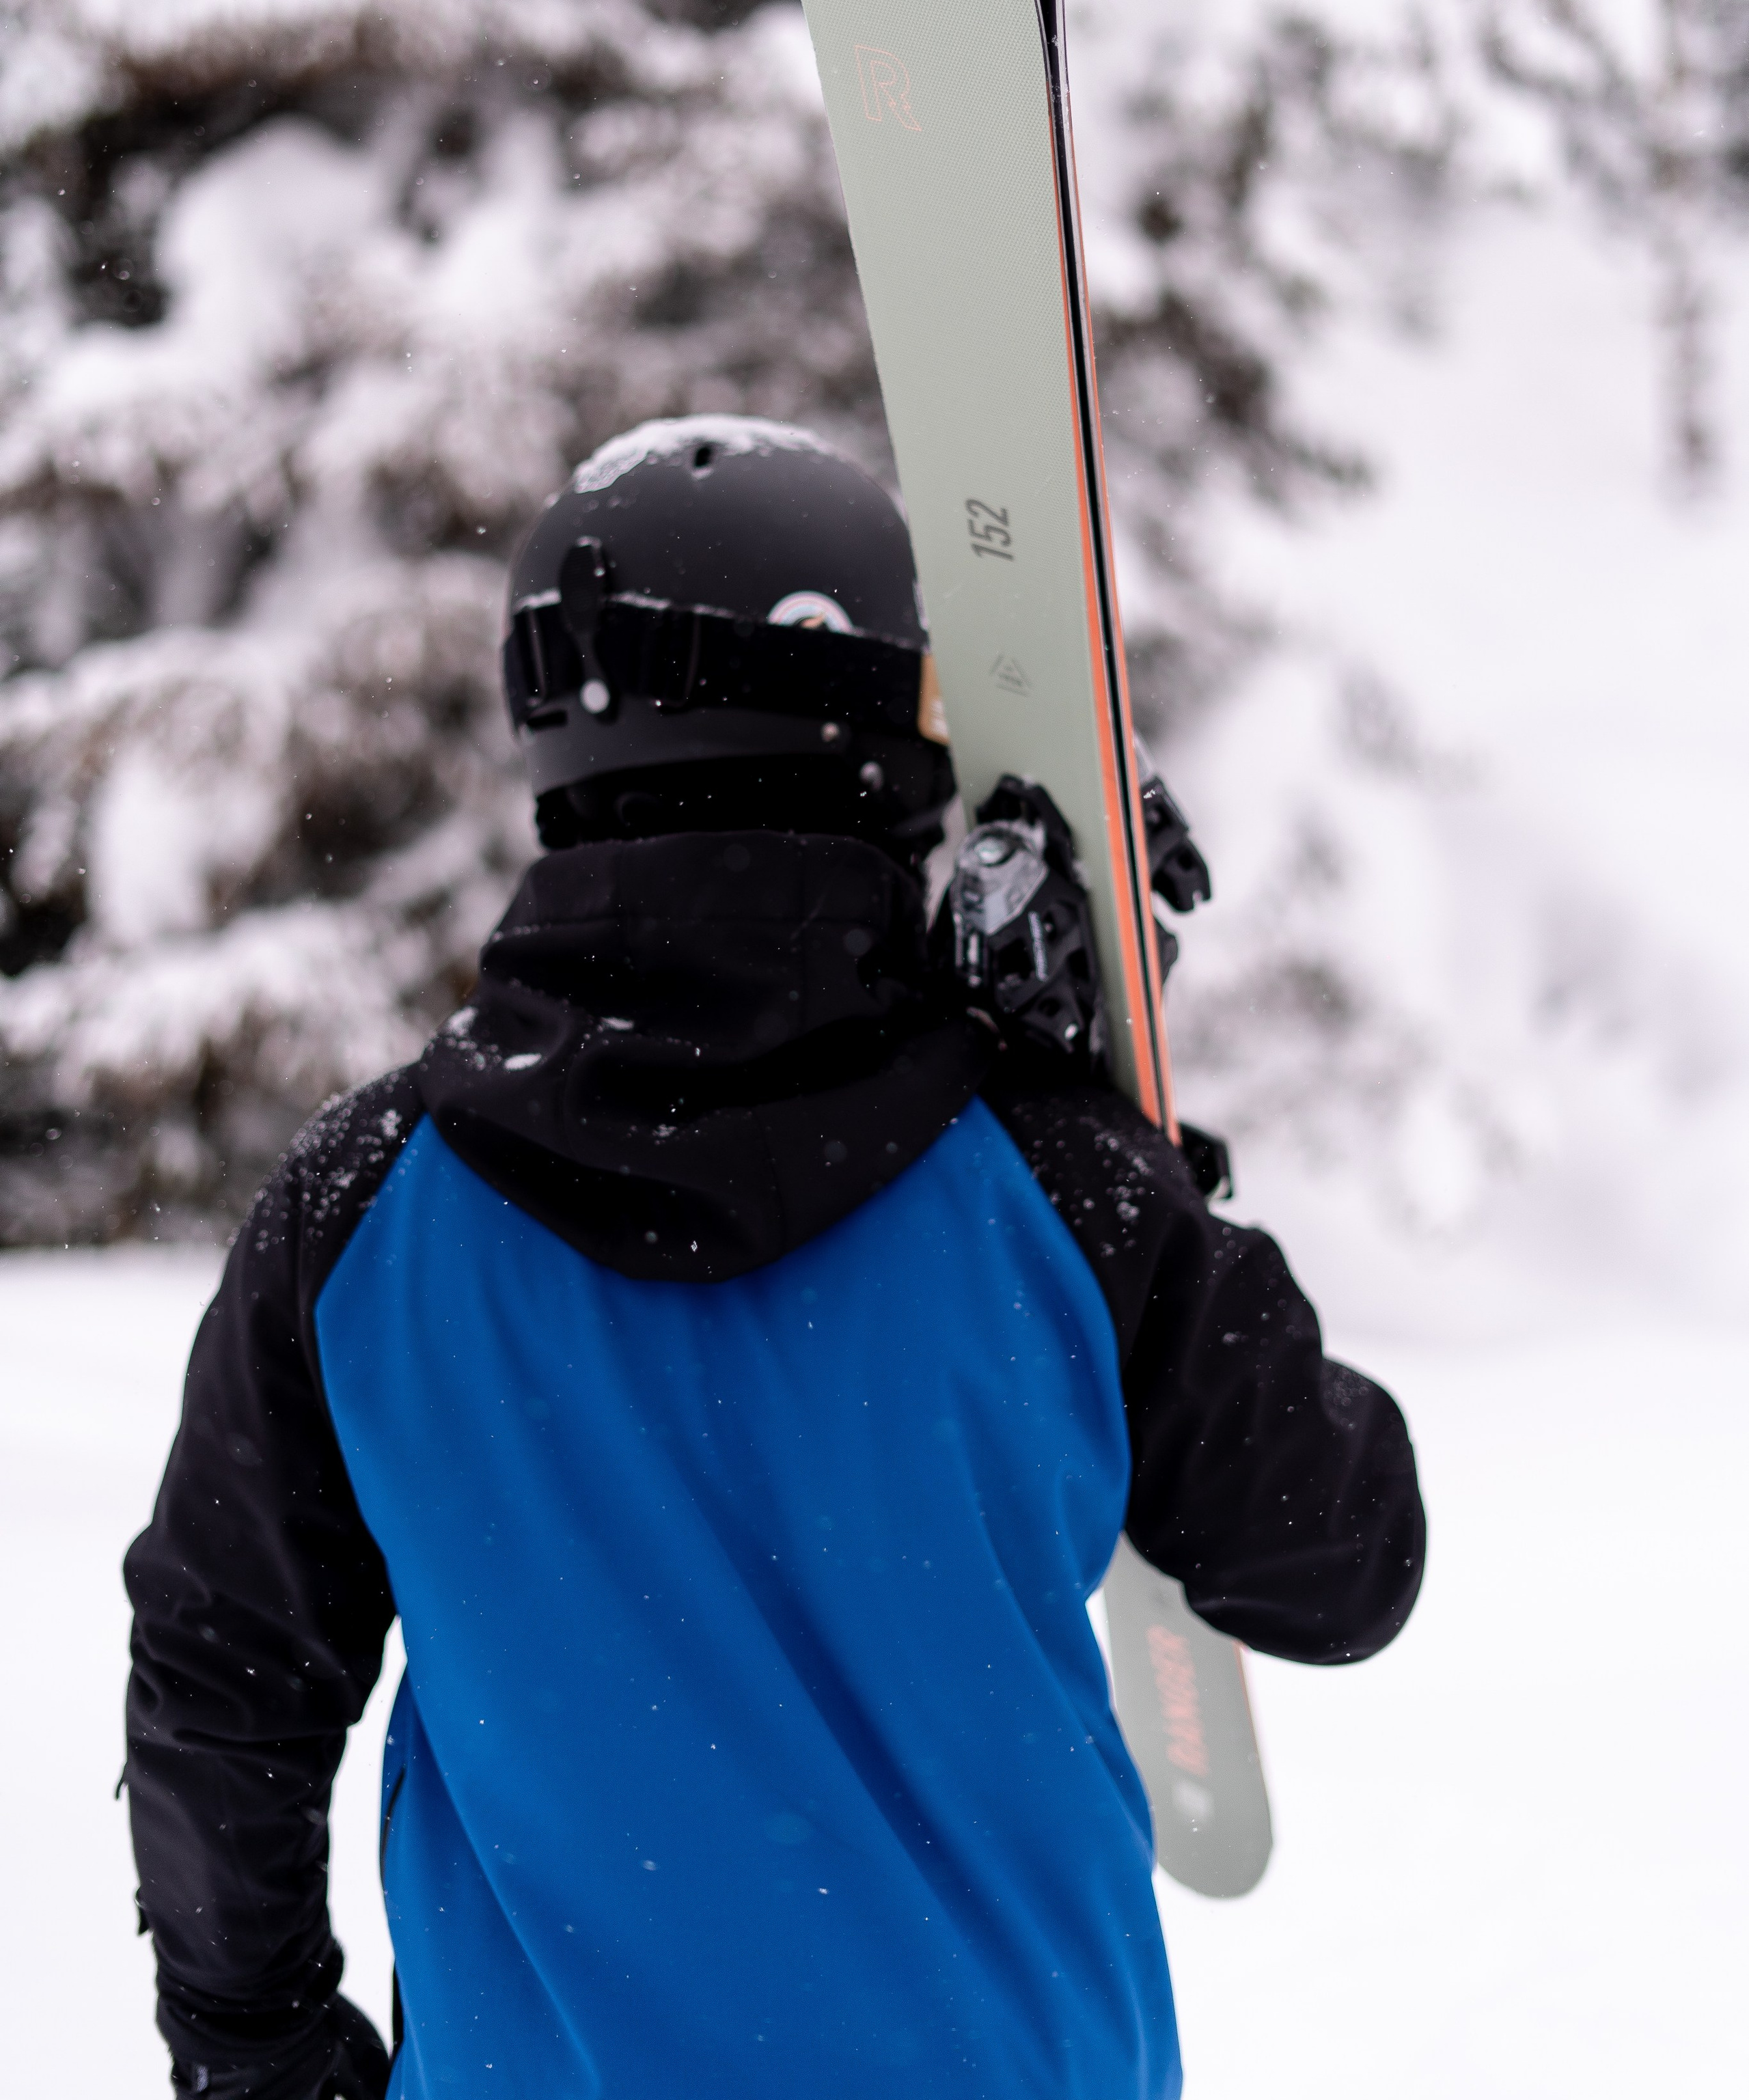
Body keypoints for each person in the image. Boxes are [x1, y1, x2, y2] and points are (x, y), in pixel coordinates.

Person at [125, 417, 1424, 2100]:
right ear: (885, 732)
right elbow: (1336, 1566)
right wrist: (1141, 1153)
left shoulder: (365, 1210)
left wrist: (262, 2056)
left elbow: (222, 1685)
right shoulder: (1046, 1185)